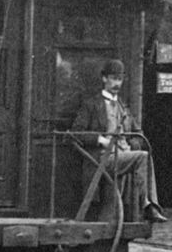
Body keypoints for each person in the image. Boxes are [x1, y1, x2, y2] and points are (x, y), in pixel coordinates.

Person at [66, 59, 166, 222]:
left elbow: (137, 132)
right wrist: (101, 140)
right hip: (101, 158)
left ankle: (143, 206)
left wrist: (131, 143)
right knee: (143, 157)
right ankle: (147, 205)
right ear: (104, 79)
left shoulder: (123, 107)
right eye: (113, 78)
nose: (116, 83)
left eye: (119, 79)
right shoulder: (91, 105)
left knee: (142, 155)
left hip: (122, 157)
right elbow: (75, 133)